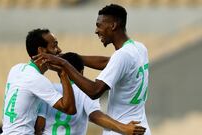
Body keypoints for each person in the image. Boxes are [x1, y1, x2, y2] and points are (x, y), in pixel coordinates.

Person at [33, 4, 151, 135]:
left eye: (99, 25)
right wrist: (72, 57)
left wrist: (64, 64)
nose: (96, 30)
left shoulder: (122, 56)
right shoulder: (139, 48)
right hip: (141, 127)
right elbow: (109, 63)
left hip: (124, 129)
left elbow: (94, 91)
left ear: (113, 26)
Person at [34, 52, 146, 135]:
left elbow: (39, 126)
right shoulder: (84, 92)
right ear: (81, 72)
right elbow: (95, 116)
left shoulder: (50, 89)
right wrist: (123, 128)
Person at [1, 29, 76, 135]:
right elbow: (70, 108)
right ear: (41, 51)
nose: (59, 50)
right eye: (54, 46)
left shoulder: (16, 69)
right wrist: (63, 73)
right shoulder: (37, 79)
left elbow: (37, 126)